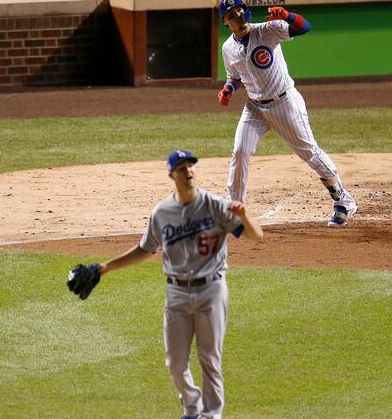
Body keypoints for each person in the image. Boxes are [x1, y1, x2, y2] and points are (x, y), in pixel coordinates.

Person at [66, 148, 263, 419]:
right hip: (177, 293)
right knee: (175, 362)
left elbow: (256, 235)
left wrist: (244, 216)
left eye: (191, 166)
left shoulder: (215, 205)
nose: (189, 171)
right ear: (172, 175)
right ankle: (191, 407)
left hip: (211, 290)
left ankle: (211, 415)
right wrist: (105, 268)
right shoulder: (162, 213)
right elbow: (144, 249)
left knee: (210, 358)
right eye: (182, 168)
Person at [217, 0, 358, 227]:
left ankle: (344, 200)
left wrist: (287, 16)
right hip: (254, 106)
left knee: (309, 153)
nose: (238, 17)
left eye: (240, 11)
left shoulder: (267, 31)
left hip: (284, 103)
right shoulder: (228, 48)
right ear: (225, 22)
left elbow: (304, 27)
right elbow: (234, 74)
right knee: (240, 151)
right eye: (231, 15)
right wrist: (228, 89)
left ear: (246, 13)